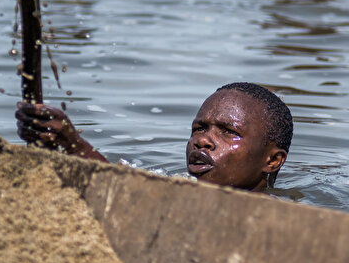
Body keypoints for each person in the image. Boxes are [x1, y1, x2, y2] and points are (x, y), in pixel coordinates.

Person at [15, 82, 292, 192]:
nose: (203, 141)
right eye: (199, 128)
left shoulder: (271, 221)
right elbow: (123, 186)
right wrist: (67, 141)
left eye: (229, 132)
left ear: (273, 160)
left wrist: (72, 143)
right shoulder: (184, 194)